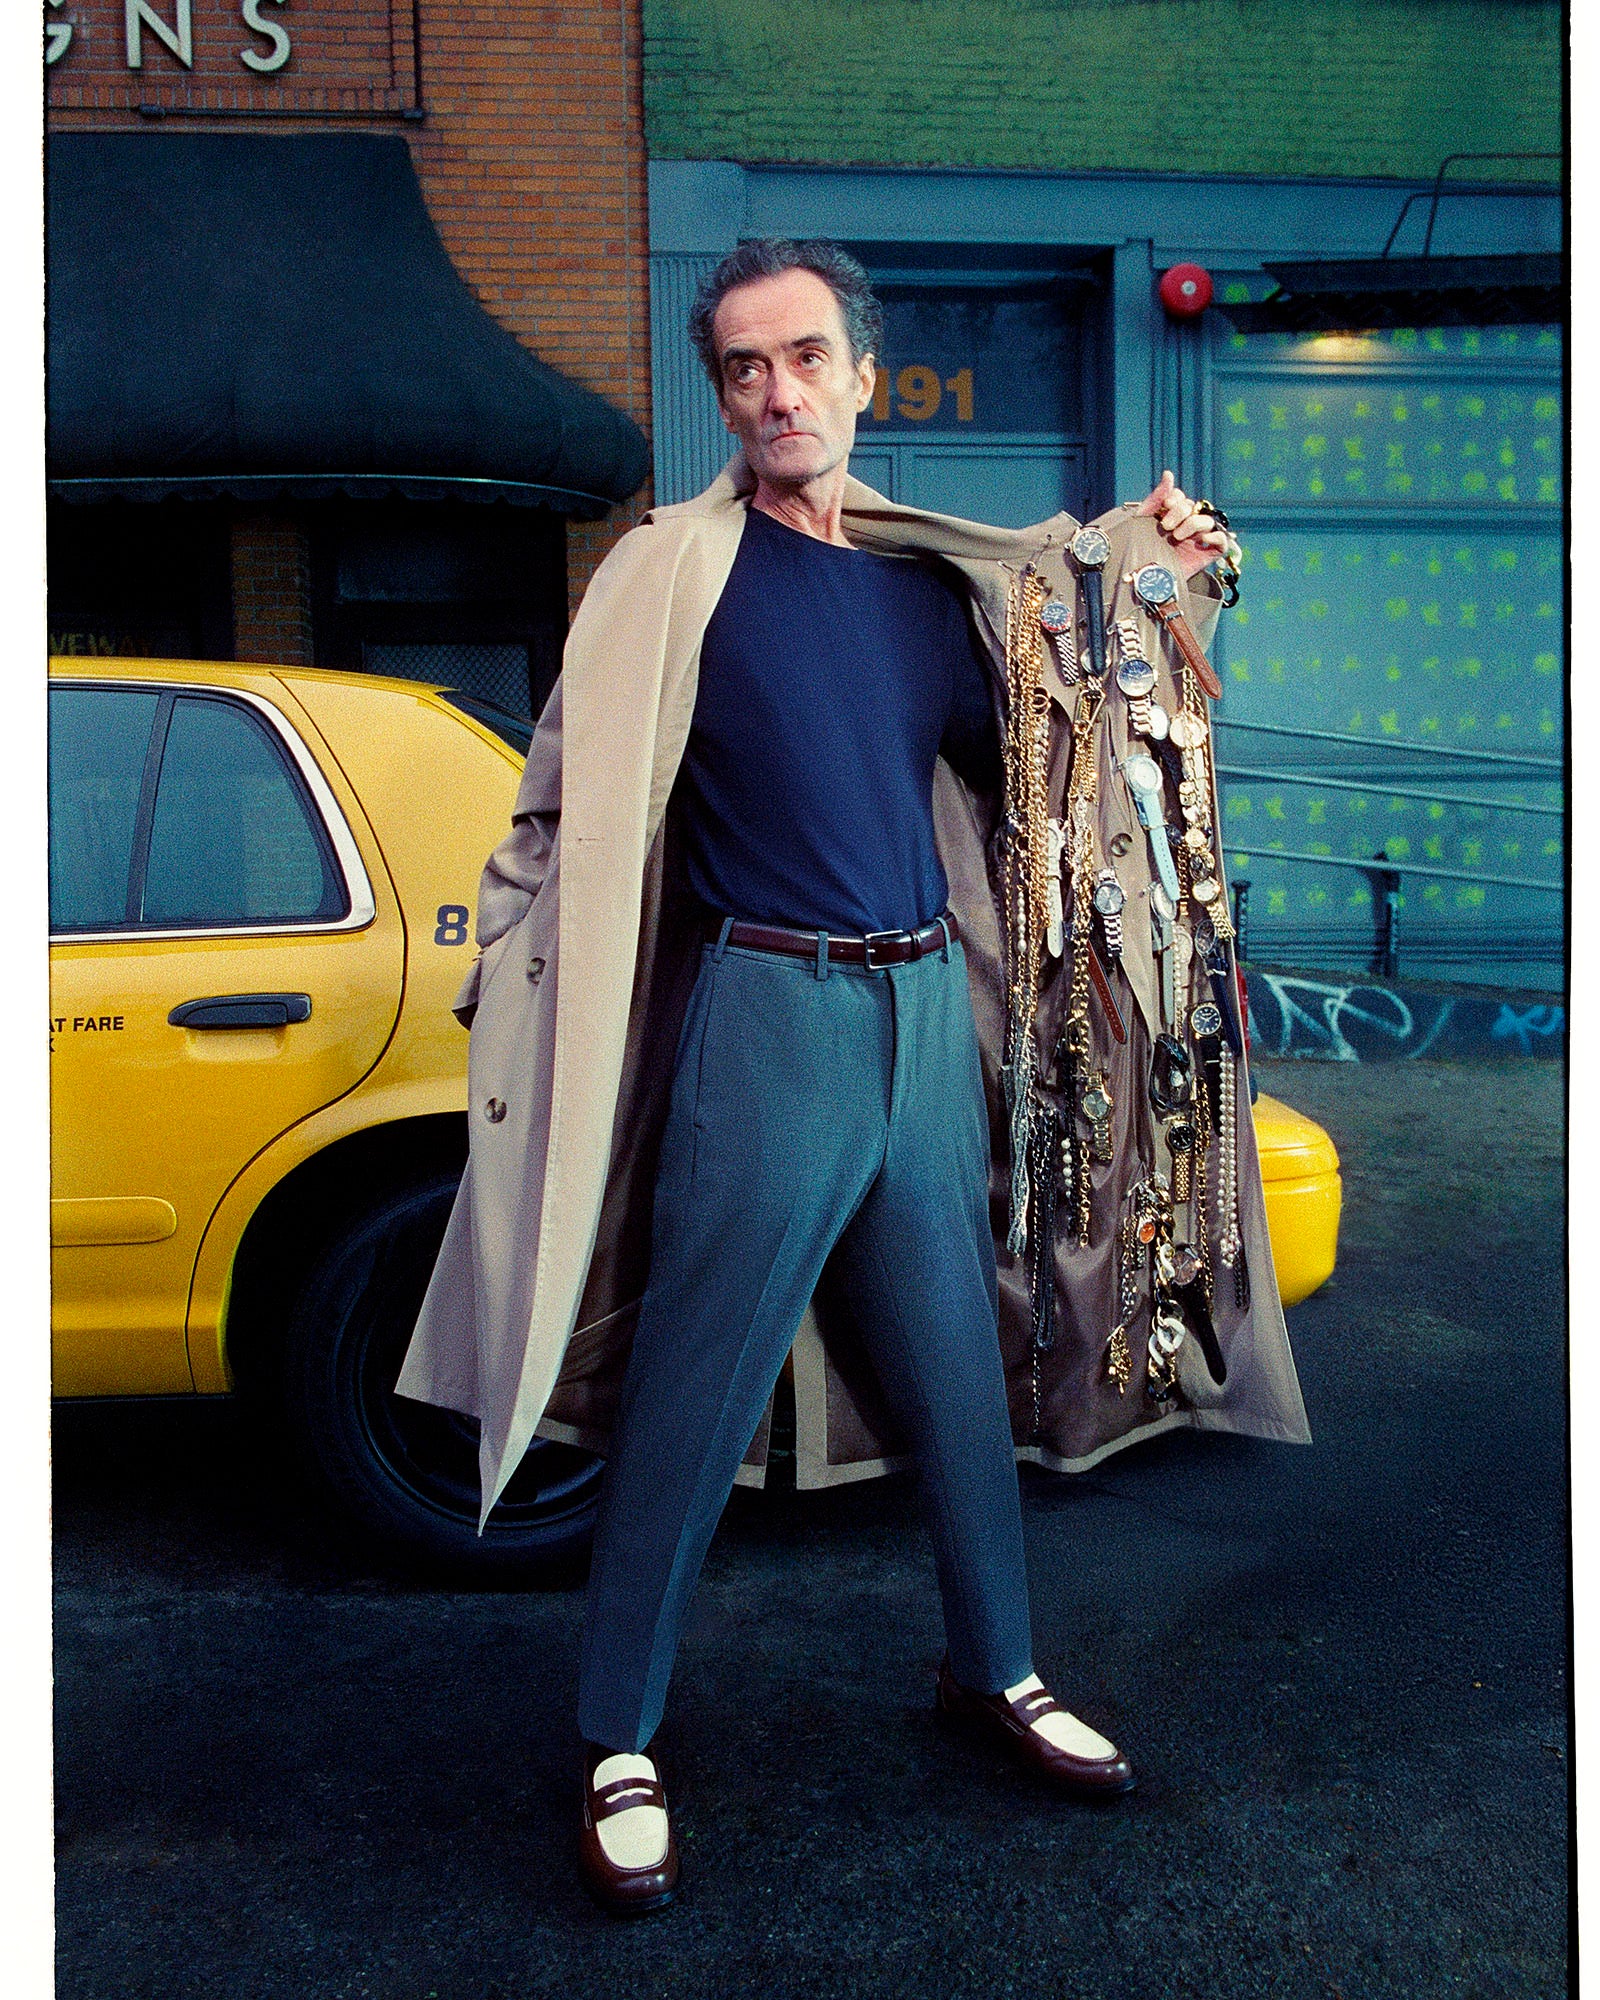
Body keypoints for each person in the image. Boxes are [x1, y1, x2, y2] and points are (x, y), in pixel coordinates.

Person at [397, 239, 1293, 1918]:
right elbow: (556, 808)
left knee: (960, 1375)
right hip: (769, 1018)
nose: (777, 391)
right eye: (744, 367)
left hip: (918, 1023)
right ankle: (617, 1740)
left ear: (864, 377)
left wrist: (1166, 572)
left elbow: (1064, 738)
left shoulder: (920, 589)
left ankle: (997, 1670)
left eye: (805, 356)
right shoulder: (667, 577)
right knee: (693, 1390)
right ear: (723, 395)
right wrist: (507, 976)